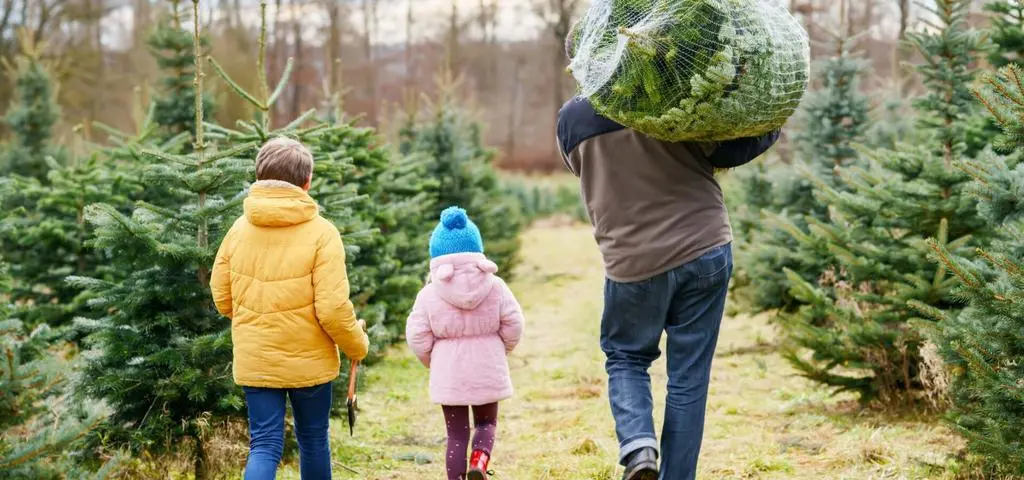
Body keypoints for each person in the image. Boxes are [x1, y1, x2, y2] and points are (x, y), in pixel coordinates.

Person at [556, 59, 780, 480]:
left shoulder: (570, 119)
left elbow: (581, 171)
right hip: (705, 248)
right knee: (689, 377)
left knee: (625, 356)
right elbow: (731, 149)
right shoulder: (666, 99)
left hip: (632, 263)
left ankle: (639, 447)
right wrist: (771, 121)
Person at [210, 137, 370, 480]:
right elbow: (332, 308)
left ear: (257, 176)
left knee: (264, 444)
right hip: (309, 361)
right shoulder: (323, 234)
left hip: (257, 359)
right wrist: (357, 344)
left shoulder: (238, 231)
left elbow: (222, 297)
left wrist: (256, 322)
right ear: (307, 183)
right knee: (313, 439)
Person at [405, 206, 525, 480]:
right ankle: (479, 464)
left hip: (449, 370)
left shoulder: (428, 294)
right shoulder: (496, 286)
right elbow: (514, 322)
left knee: (456, 434)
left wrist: (432, 361)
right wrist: (501, 349)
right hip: (488, 365)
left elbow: (417, 335)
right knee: (486, 423)